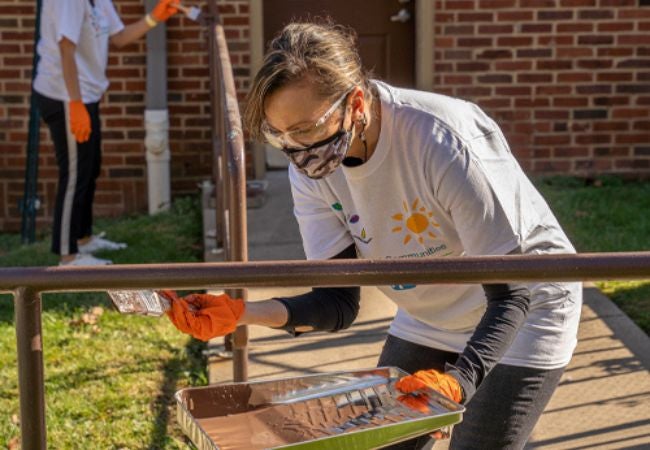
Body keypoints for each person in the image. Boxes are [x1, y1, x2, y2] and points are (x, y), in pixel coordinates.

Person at [163, 21, 583, 449]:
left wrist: (459, 382)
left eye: (306, 129)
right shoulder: (310, 167)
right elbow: (337, 302)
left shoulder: (441, 141)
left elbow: (512, 294)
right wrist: (238, 313)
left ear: (356, 103)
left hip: (527, 310)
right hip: (429, 315)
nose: (295, 150)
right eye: (279, 135)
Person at [33, 0, 179, 266]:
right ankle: (68, 256)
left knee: (90, 167)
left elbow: (120, 37)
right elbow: (66, 48)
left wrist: (154, 18)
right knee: (75, 174)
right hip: (65, 95)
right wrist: (75, 104)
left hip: (86, 95)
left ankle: (84, 238)